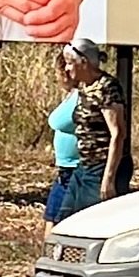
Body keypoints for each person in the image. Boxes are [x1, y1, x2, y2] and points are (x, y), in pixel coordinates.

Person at [58, 37, 128, 218]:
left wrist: (108, 178)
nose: (67, 68)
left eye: (70, 63)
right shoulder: (84, 87)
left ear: (84, 62)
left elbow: (118, 133)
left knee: (91, 220)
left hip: (101, 167)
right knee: (64, 218)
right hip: (84, 166)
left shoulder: (107, 87)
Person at [43, 58, 79, 237]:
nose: (56, 78)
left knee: (59, 218)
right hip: (65, 169)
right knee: (51, 215)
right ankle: (48, 250)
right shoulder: (70, 96)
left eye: (57, 73)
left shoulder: (82, 97)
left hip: (75, 169)